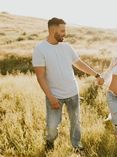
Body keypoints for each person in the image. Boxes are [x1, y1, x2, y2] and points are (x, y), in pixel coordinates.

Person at [32, 17, 103, 152]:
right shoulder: (40, 49)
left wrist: (96, 75)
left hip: (72, 93)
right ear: (53, 30)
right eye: (62, 30)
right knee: (52, 127)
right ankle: (50, 142)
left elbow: (79, 63)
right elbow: (40, 77)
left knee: (76, 123)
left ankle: (77, 146)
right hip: (54, 95)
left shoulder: (66, 47)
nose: (65, 33)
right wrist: (51, 97)